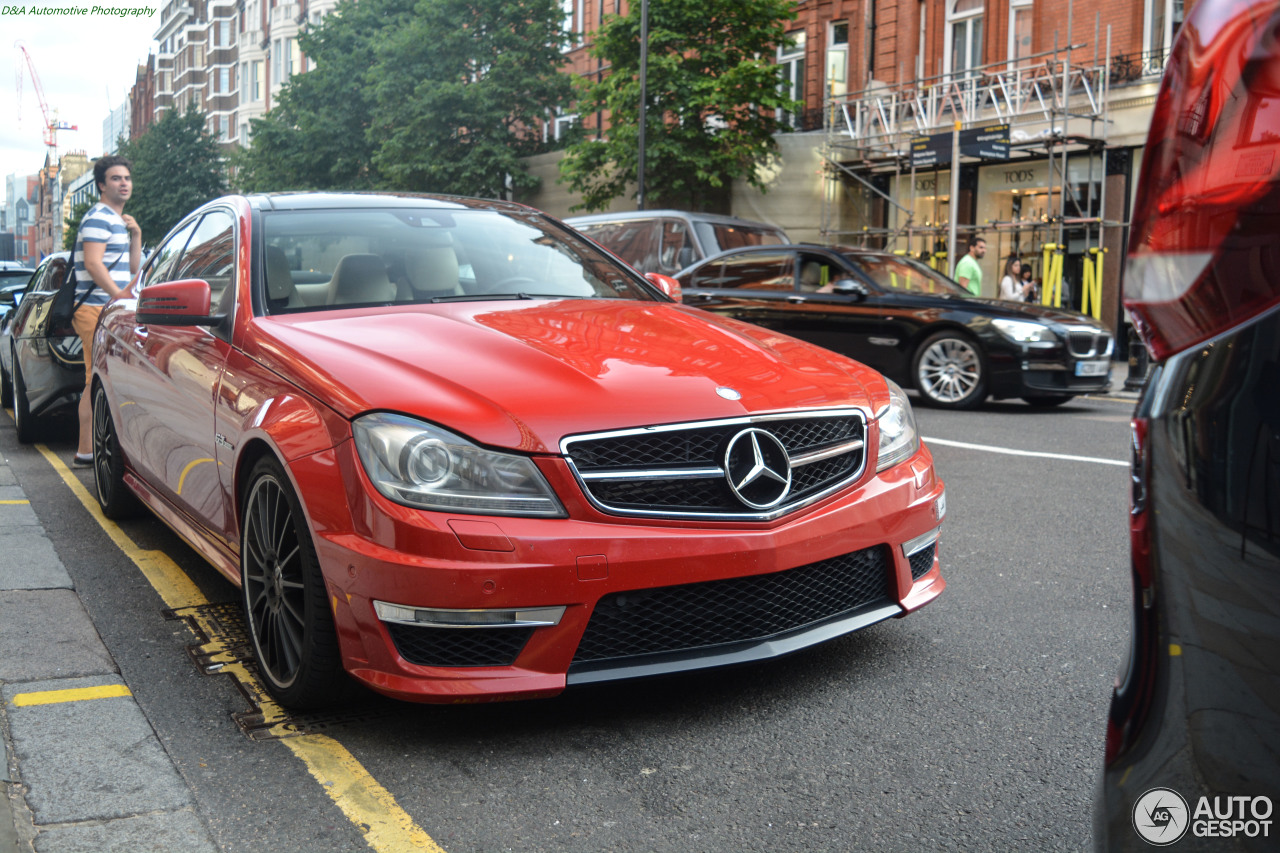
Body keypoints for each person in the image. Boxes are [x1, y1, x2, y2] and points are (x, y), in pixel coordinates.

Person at [71, 155, 142, 467]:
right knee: (94, 378)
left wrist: (136, 235)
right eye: (115, 178)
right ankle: (85, 448)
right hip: (95, 308)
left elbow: (133, 270)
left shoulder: (117, 222)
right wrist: (120, 299)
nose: (123, 183)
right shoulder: (99, 217)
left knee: (103, 378)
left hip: (108, 309)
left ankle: (99, 446)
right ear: (101, 185)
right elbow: (92, 263)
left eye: (126, 178)